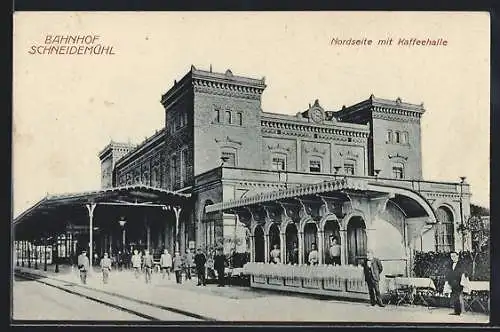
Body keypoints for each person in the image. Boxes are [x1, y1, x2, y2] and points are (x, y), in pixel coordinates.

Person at [445, 251, 466, 315]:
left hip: (459, 282)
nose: (453, 257)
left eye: (454, 256)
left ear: (457, 256)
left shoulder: (461, 264)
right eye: (451, 256)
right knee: (454, 296)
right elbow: (448, 273)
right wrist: (449, 281)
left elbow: (462, 273)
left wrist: (458, 280)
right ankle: (456, 311)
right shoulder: (450, 264)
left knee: (458, 296)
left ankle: (460, 311)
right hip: (452, 282)